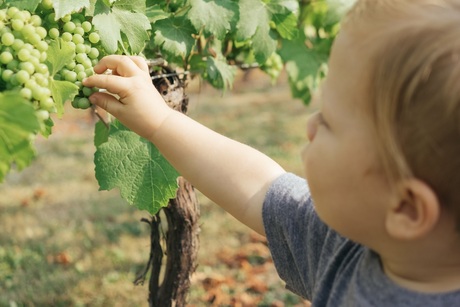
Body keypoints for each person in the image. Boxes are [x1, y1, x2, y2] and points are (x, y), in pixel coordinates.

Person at [82, 0, 460, 305]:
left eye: (328, 121)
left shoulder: (345, 248)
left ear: (407, 209)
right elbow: (258, 185)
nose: (310, 125)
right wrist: (159, 123)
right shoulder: (345, 245)